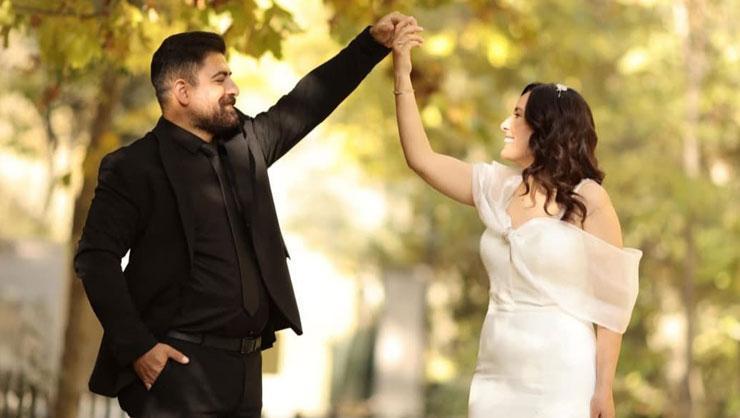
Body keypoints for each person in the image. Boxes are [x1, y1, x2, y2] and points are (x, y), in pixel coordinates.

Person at [74, 12, 409, 417]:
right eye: (220, 79)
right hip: (176, 374)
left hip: (246, 375)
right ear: (182, 92)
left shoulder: (245, 145)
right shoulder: (134, 167)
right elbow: (96, 258)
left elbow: (308, 102)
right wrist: (139, 348)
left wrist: (370, 44)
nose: (233, 89)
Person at [390, 20, 642, 418]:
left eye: (518, 115)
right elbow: (421, 159)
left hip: (562, 374)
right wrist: (402, 73)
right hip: (495, 373)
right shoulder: (495, 187)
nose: (505, 125)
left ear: (545, 128)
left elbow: (611, 306)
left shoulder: (589, 199)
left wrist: (603, 390)